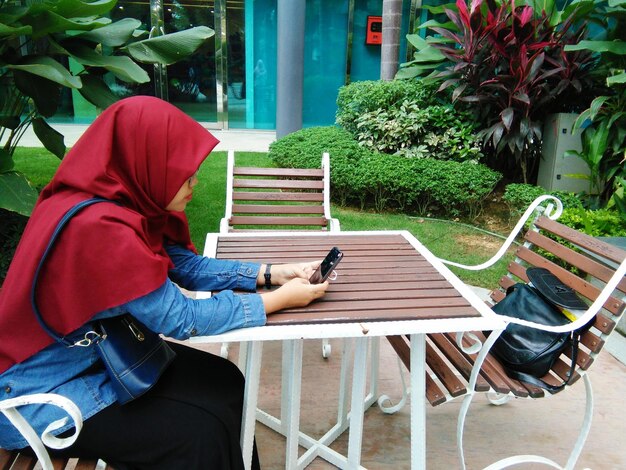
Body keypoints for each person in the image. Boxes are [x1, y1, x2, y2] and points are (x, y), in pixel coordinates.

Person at [0, 96, 329, 469]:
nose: (194, 182)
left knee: (226, 381)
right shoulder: (100, 228)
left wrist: (270, 274)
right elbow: (179, 317)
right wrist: (278, 301)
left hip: (96, 353)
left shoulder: (123, 202)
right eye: (183, 172)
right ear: (147, 162)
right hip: (39, 394)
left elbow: (182, 264)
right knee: (198, 433)